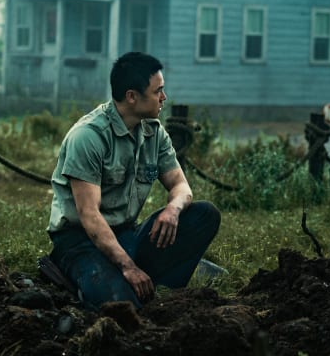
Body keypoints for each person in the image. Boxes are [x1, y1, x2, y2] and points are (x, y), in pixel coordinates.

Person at [46, 51, 222, 309]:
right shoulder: (88, 137)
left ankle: (161, 293)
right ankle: (85, 280)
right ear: (132, 96)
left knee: (205, 215)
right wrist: (128, 267)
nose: (164, 97)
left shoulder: (154, 132)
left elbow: (180, 186)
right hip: (81, 241)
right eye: (157, 91)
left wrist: (173, 210)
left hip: (126, 234)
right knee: (122, 306)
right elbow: (89, 215)